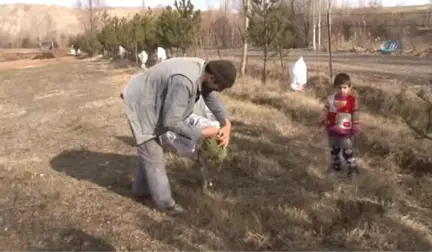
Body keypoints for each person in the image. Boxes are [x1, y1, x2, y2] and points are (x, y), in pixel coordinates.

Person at [121, 57, 237, 215]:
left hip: (151, 96)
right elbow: (171, 122)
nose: (219, 91)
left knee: (148, 151)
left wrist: (226, 124)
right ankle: (166, 205)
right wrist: (202, 132)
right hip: (141, 102)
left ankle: (141, 190)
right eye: (220, 87)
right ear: (212, 78)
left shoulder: (204, 71)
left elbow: (210, 95)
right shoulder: (184, 81)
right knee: (152, 152)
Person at [319, 72, 360, 179]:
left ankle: (352, 168)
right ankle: (336, 167)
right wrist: (322, 119)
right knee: (334, 150)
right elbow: (325, 110)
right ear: (335, 88)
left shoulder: (352, 100)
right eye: (339, 87)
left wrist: (356, 124)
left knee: (347, 150)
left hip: (345, 132)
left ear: (350, 87)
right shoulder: (331, 99)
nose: (342, 90)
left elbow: (355, 113)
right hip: (332, 130)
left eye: (345, 87)